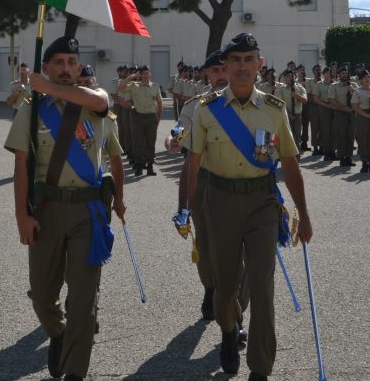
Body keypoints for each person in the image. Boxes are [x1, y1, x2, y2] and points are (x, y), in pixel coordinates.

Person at [179, 33, 313, 381]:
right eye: (235, 60)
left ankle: (260, 367)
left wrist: (305, 214)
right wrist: (186, 209)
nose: (241, 66)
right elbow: (192, 164)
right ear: (225, 66)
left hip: (262, 203)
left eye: (248, 59)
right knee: (225, 285)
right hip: (219, 202)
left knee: (262, 284)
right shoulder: (207, 111)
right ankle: (228, 328)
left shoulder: (274, 109)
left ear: (259, 64)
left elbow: (290, 164)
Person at [3, 35, 126, 381]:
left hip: (89, 213)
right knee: (42, 295)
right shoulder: (32, 109)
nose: (67, 69)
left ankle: (75, 373)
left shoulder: (94, 102)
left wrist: (119, 199)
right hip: (47, 211)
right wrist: (21, 217)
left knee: (84, 305)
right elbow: (21, 167)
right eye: (58, 63)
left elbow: (101, 99)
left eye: (72, 63)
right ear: (46, 68)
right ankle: (57, 333)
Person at [175, 50, 251, 331]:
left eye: (224, 70)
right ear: (206, 75)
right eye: (215, 71)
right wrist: (175, 141)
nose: (220, 76)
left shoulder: (249, 102)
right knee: (206, 246)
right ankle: (210, 288)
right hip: (204, 181)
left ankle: (236, 313)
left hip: (239, 181)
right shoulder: (195, 106)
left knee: (241, 251)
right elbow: (179, 132)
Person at [126, 65, 162, 176]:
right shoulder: (134, 86)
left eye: (148, 73)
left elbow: (160, 103)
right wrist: (132, 76)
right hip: (138, 117)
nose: (146, 75)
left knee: (150, 142)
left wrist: (158, 117)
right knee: (138, 142)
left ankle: (150, 166)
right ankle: (138, 167)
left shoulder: (155, 87)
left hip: (151, 117)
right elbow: (120, 88)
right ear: (140, 75)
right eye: (144, 73)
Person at [327, 64, 356, 167]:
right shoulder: (334, 86)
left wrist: (352, 90)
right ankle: (342, 157)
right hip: (340, 113)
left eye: (346, 73)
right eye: (342, 73)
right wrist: (344, 108)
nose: (345, 75)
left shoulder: (353, 85)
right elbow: (331, 100)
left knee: (350, 136)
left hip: (351, 113)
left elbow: (359, 97)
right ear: (338, 75)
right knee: (341, 136)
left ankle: (349, 157)